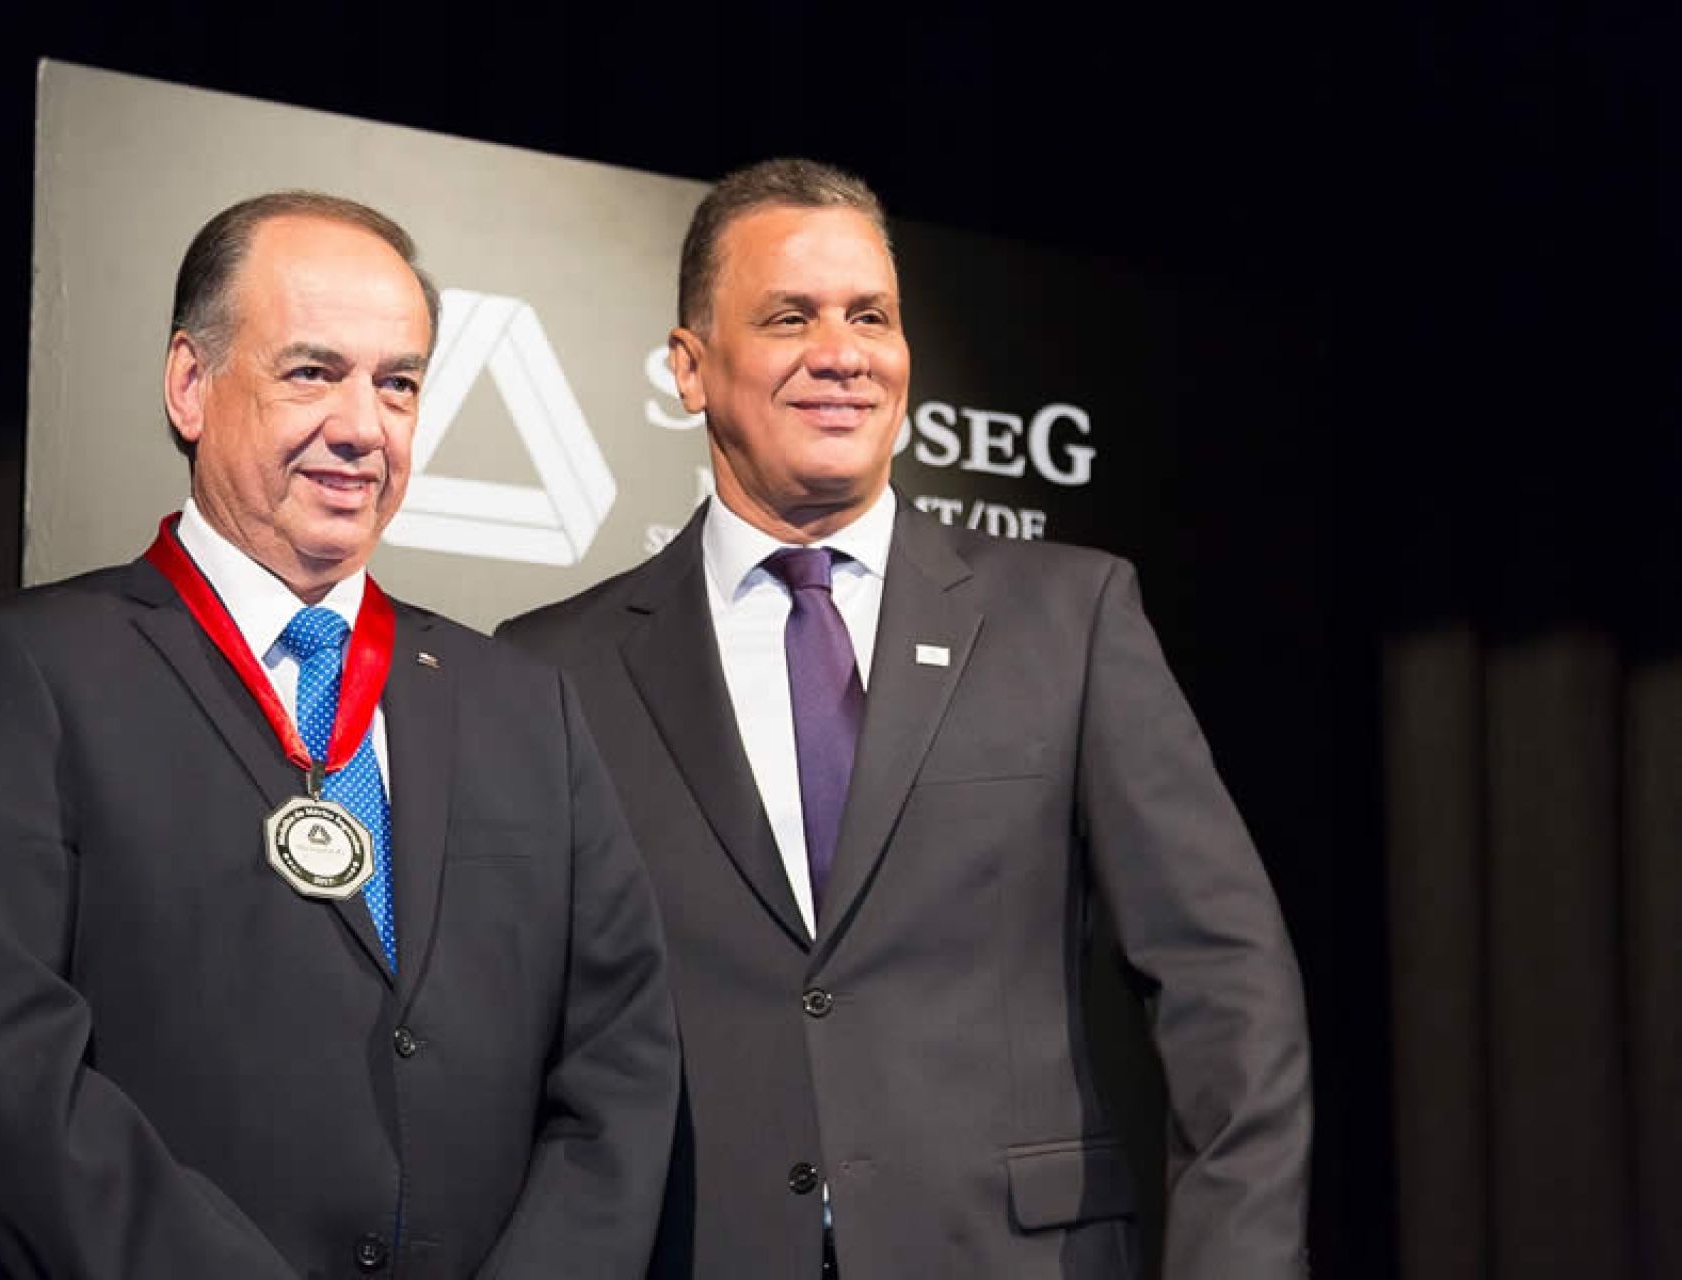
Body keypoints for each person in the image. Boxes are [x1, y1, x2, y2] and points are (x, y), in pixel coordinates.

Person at [497, 159, 1311, 1278]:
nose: (842, 353)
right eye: (790, 317)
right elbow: (511, 1044)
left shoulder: (1070, 619)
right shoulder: (557, 667)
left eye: (870, 315)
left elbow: (1228, 980)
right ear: (690, 367)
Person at [0, 191, 679, 1279]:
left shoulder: (526, 706)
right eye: (313, 371)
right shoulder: (28, 671)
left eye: (397, 383)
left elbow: (620, 1060)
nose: (362, 426)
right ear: (190, 384)